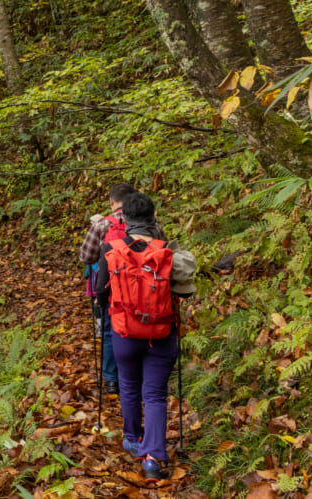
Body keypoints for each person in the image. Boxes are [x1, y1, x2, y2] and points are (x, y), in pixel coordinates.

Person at [94, 192, 192, 481]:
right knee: (156, 394)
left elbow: (100, 294)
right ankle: (153, 459)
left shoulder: (110, 249)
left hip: (124, 331)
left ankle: (133, 438)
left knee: (128, 385)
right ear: (153, 218)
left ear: (125, 220)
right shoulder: (166, 251)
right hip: (161, 332)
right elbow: (181, 291)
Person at [79, 183, 166, 395]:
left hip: (114, 288)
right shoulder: (154, 225)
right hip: (148, 287)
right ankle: (145, 373)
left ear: (111, 201)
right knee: (147, 326)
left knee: (110, 331)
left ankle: (111, 379)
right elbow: (163, 249)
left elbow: (86, 256)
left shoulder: (101, 225)